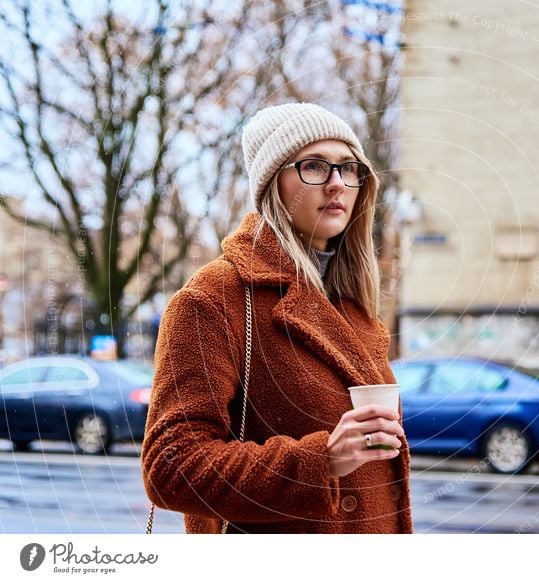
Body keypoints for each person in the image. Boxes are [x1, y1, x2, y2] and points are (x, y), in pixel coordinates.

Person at [141, 103, 412, 534]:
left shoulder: (352, 304)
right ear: (272, 183)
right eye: (314, 166)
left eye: (349, 167)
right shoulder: (214, 297)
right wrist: (321, 461)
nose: (337, 183)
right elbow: (170, 466)